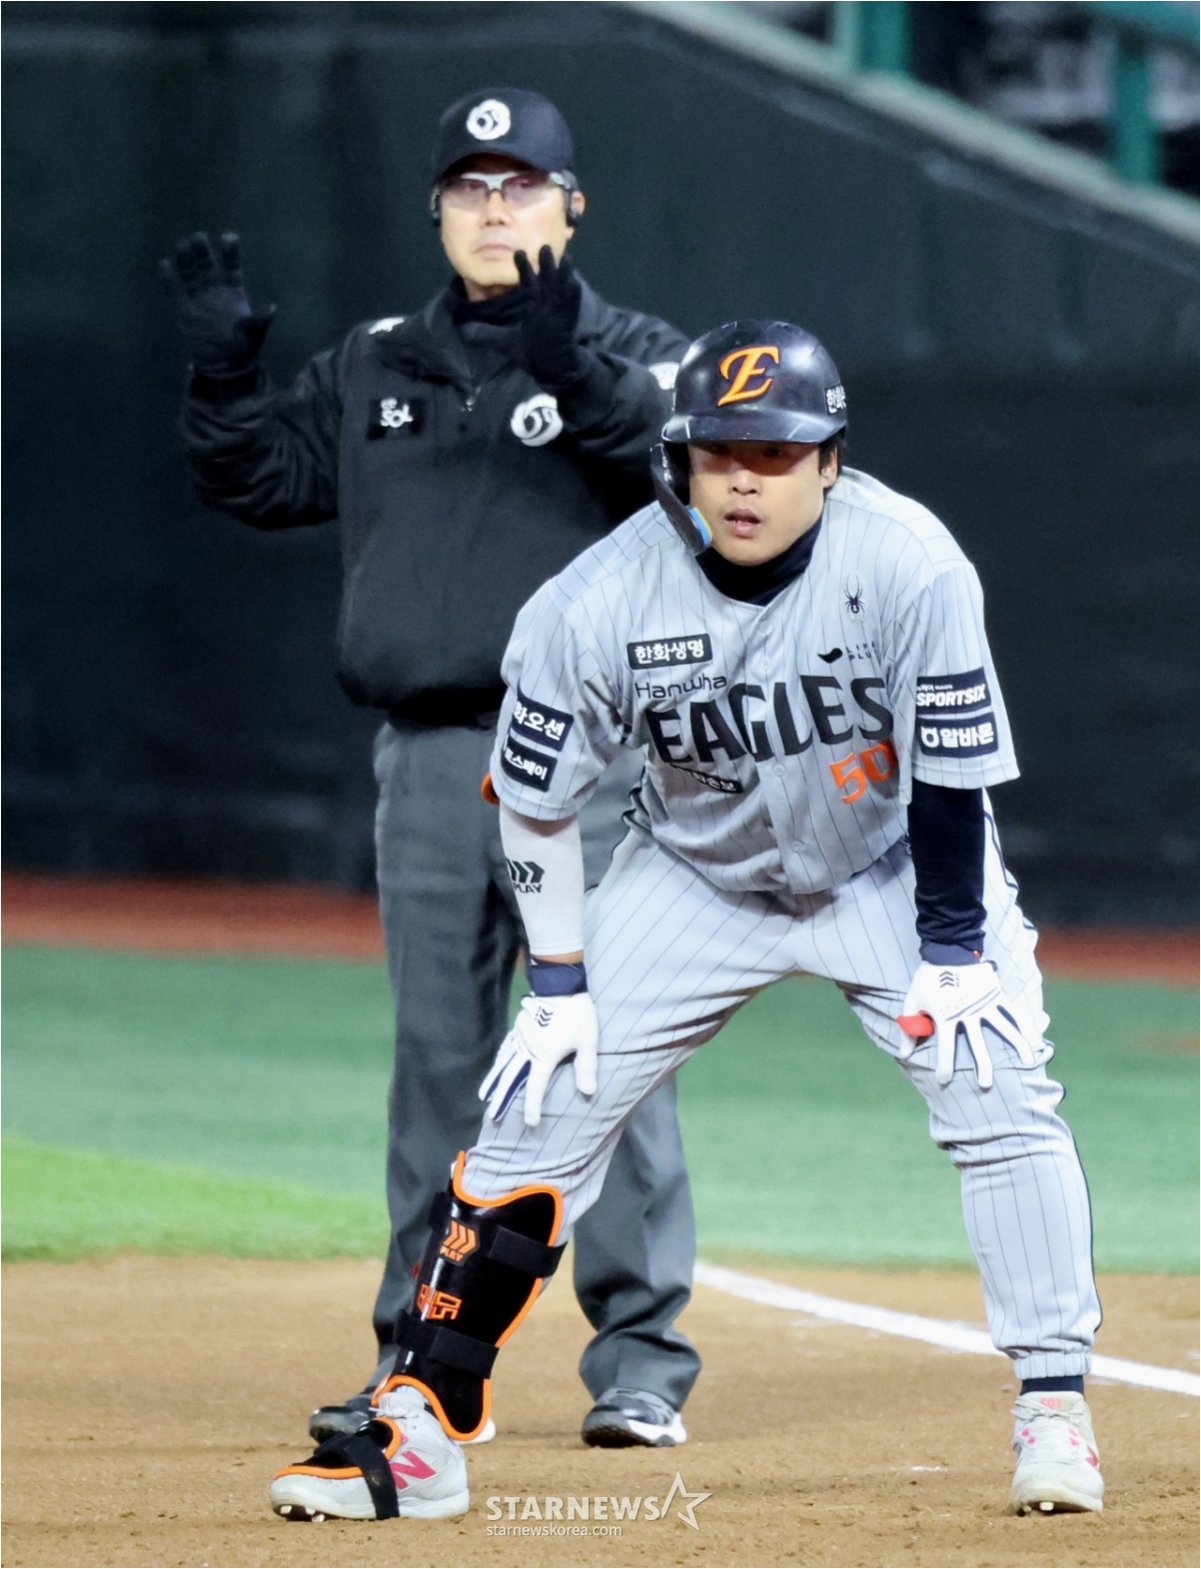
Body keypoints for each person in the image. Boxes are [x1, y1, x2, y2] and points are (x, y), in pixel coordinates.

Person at [268, 319, 1105, 1524]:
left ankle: (1053, 1407)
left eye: (777, 454)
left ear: (831, 462)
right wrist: (559, 985)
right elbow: (536, 808)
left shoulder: (911, 563)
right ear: (678, 463)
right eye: (720, 455)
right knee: (535, 1108)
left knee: (999, 1087)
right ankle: (420, 1428)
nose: (745, 481)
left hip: (886, 870)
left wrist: (954, 950)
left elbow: (948, 776)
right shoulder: (594, 599)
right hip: (694, 877)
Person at [161, 87, 701, 1449]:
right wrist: (222, 383)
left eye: (522, 186)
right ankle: (421, 1359)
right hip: (432, 760)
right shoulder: (379, 359)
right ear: (438, 211)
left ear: (572, 207)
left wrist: (569, 366)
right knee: (439, 1070)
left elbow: (683, 475)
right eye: (471, 186)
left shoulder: (642, 353)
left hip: (596, 771)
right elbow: (262, 483)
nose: (494, 208)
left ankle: (640, 1365)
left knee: (611, 1059)